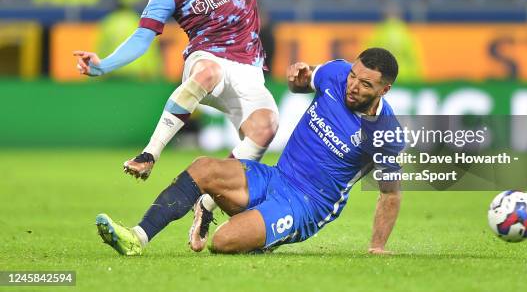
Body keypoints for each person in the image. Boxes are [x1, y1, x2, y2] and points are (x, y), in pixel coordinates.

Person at [74, 0, 303, 212]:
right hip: (206, 58)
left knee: (266, 128)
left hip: (248, 68)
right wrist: (103, 65)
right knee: (207, 70)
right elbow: (143, 38)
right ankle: (150, 154)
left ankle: (206, 205)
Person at [95, 48, 403, 255]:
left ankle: (259, 228)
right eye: (353, 76)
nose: (353, 86)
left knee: (223, 241)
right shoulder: (336, 74)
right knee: (203, 167)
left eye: (365, 84)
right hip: (275, 176)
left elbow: (389, 194)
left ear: (384, 90)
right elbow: (305, 80)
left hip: (305, 205)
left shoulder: (384, 132)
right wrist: (298, 77)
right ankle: (137, 237)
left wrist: (377, 247)